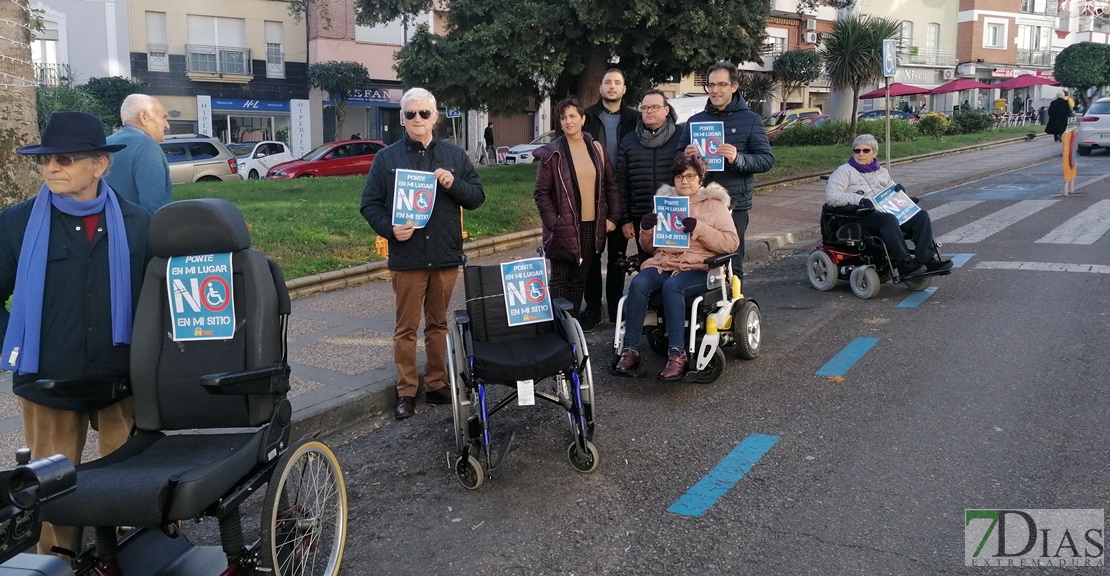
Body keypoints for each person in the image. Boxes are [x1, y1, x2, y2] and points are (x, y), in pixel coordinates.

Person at [1, 111, 152, 554]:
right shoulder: (15, 224)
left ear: (99, 165)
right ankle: (57, 563)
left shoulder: (138, 222)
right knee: (52, 497)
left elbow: (153, 303)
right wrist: (15, 345)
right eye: (45, 160)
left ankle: (123, 557)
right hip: (47, 384)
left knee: (126, 492)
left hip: (119, 383)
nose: (51, 168)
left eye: (64, 159)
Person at [360, 88, 485, 421]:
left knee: (438, 324)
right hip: (408, 256)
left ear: (435, 116)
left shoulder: (455, 156)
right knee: (405, 328)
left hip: (444, 255)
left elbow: (476, 196)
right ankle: (406, 391)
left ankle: (437, 383)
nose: (417, 119)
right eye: (410, 114)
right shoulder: (386, 159)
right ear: (402, 118)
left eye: (423, 113)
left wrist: (453, 184)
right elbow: (368, 204)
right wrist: (389, 228)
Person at [613, 154, 738, 381]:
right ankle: (630, 350)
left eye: (690, 176)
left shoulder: (715, 205)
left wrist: (699, 228)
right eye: (679, 176)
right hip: (663, 262)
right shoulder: (665, 203)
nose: (684, 181)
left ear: (700, 179)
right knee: (639, 282)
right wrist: (647, 230)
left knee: (673, 286)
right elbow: (649, 248)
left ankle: (677, 354)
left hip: (700, 267)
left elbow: (731, 243)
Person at [678, 60, 774, 278]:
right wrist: (685, 156)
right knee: (698, 258)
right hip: (699, 202)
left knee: (731, 261)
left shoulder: (751, 120)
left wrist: (737, 158)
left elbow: (766, 160)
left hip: (733, 203)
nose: (715, 90)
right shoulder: (695, 121)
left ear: (734, 86)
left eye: (721, 84)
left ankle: (736, 307)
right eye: (711, 85)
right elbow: (675, 159)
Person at [533, 98, 621, 321]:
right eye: (563, 118)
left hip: (592, 226)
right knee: (560, 280)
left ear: (583, 119)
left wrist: (613, 217)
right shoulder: (552, 153)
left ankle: (571, 329)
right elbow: (541, 194)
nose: (568, 121)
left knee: (580, 278)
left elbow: (610, 183)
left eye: (572, 116)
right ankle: (556, 328)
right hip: (563, 226)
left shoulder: (596, 149)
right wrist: (554, 223)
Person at [824, 134, 952, 276]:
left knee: (921, 216)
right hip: (859, 214)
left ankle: (927, 259)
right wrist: (858, 199)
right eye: (857, 150)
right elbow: (831, 196)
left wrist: (900, 193)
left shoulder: (882, 172)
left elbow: (891, 192)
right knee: (888, 219)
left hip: (885, 211)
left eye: (866, 150)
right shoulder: (844, 171)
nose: (861, 154)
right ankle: (903, 263)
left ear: (874, 153)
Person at [581, 68, 638, 332]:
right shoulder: (588, 117)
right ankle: (593, 308)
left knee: (617, 257)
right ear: (601, 88)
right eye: (607, 82)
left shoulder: (634, 119)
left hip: (622, 195)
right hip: (591, 196)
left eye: (617, 82)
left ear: (624, 89)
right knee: (591, 258)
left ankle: (616, 307)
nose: (612, 87)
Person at [616, 89, 683, 260]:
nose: (649, 111)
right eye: (644, 108)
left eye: (654, 107)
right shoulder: (629, 140)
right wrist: (625, 219)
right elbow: (622, 183)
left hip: (675, 215)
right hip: (642, 217)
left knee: (675, 267)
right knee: (647, 267)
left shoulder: (682, 136)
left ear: (666, 110)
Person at [104, 94, 172, 214]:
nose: (167, 125)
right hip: (137, 230)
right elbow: (154, 205)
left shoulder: (106, 143)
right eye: (163, 117)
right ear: (143, 117)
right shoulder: (147, 147)